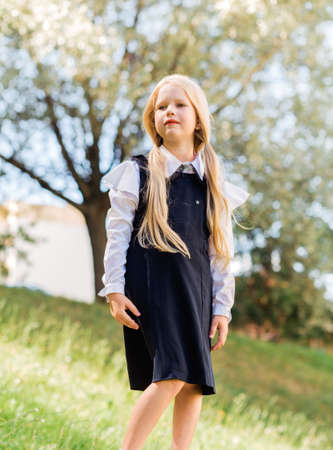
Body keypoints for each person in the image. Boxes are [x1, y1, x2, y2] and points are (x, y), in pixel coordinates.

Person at [98, 73, 250, 450]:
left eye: (180, 104)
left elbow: (220, 253)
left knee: (194, 381)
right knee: (172, 374)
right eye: (161, 106)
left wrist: (222, 308)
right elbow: (117, 234)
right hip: (153, 287)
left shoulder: (213, 181)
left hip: (195, 290)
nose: (170, 111)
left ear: (198, 118)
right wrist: (114, 289)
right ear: (153, 119)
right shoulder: (138, 172)